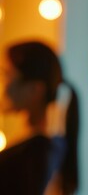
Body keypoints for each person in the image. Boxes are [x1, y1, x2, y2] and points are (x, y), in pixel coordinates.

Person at [0, 41, 79, 194]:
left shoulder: (34, 154)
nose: (1, 84)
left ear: (34, 90)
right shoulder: (38, 148)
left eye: (5, 75)